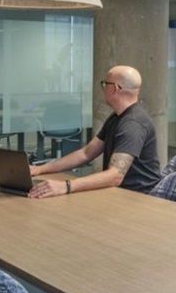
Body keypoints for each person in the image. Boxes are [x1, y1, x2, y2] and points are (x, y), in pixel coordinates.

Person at [28, 65, 161, 198]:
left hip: (139, 198)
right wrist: (40, 169)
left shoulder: (133, 123)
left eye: (105, 84)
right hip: (119, 193)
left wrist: (66, 186)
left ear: (115, 88)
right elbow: (85, 154)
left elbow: (115, 176)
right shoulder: (116, 117)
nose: (103, 88)